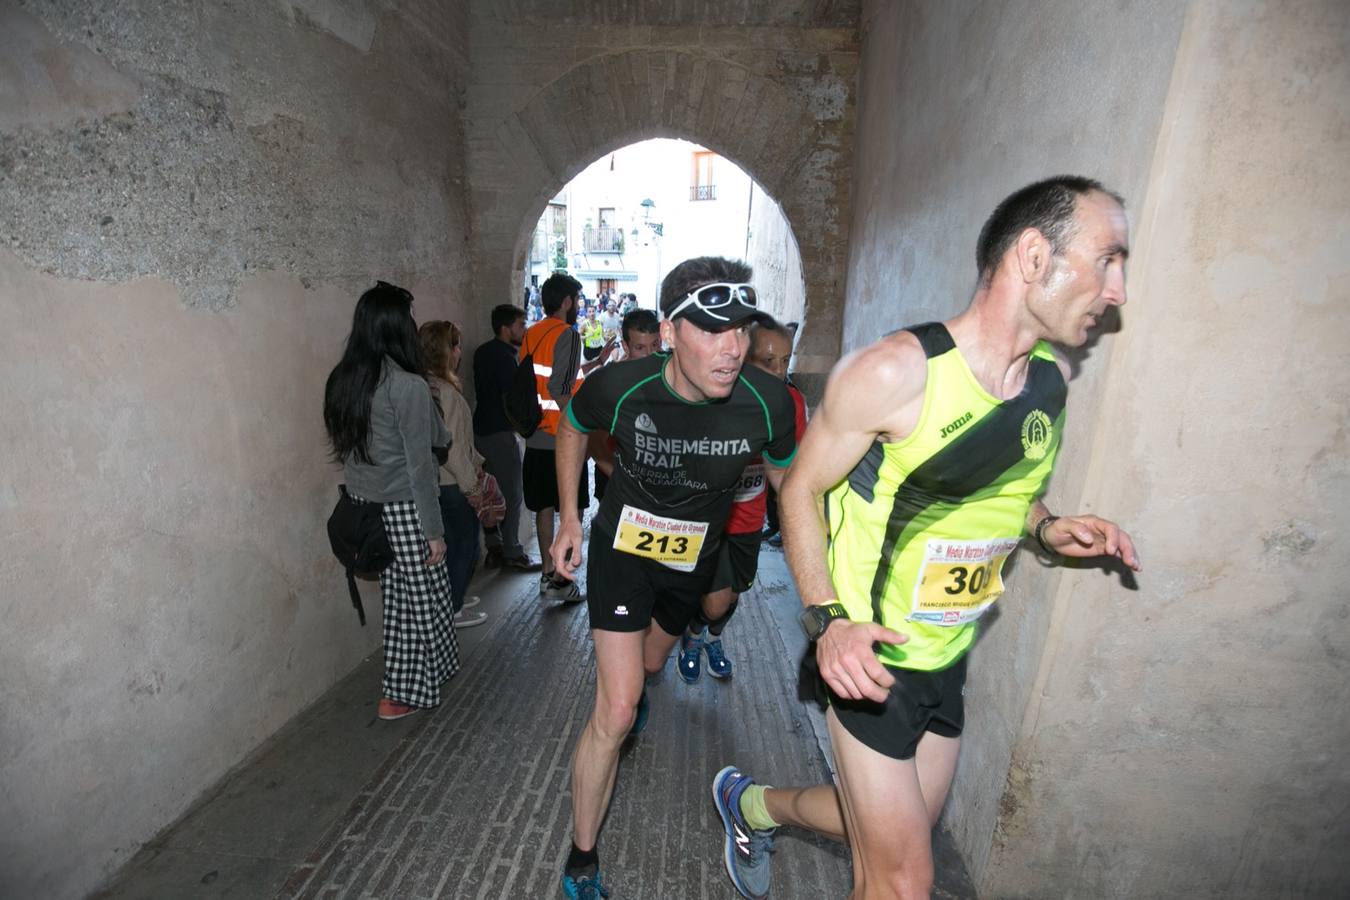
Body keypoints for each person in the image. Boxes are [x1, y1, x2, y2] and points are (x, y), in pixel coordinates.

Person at [711, 177, 1143, 900]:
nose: (1119, 289)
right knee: (906, 879)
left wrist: (1046, 527)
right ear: (1033, 256)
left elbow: (1009, 492)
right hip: (867, 657)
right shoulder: (895, 374)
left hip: (946, 656)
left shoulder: (1050, 385)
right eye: (1108, 260)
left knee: (888, 832)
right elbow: (802, 490)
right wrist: (827, 622)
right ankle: (756, 804)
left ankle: (751, 805)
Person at [551, 258, 799, 899]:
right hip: (623, 555)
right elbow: (574, 425)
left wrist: (825, 590)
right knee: (619, 705)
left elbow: (793, 492)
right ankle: (582, 861)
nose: (733, 349)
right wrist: (571, 522)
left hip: (691, 562)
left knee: (653, 666)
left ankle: (641, 679)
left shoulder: (769, 402)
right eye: (713, 332)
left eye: (741, 330)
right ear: (669, 331)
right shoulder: (624, 386)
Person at [323, 281, 459, 721]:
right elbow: (421, 465)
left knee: (399, 602)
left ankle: (407, 688)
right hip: (405, 509)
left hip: (364, 507)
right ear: (398, 328)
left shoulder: (344, 379)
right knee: (418, 605)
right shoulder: (406, 386)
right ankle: (399, 695)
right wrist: (433, 531)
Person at [676, 317, 808, 683]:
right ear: (743, 358)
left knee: (733, 596)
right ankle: (692, 636)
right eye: (769, 362)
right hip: (708, 518)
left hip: (750, 519)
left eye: (785, 361)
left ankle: (712, 638)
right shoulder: (716, 394)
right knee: (716, 598)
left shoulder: (790, 402)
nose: (779, 371)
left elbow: (794, 467)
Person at [522, 273, 605, 603]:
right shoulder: (567, 335)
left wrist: (596, 362)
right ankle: (563, 577)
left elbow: (546, 378)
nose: (578, 307)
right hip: (561, 439)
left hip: (535, 435)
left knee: (542, 507)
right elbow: (560, 388)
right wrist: (580, 427)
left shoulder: (532, 334)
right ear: (568, 301)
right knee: (572, 510)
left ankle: (548, 574)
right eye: (577, 300)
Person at [419, 319, 489, 629]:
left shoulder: (424, 384)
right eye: (456, 345)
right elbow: (452, 448)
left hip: (436, 484)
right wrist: (472, 487)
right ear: (445, 352)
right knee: (465, 546)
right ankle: (453, 608)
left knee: (449, 546)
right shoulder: (445, 392)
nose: (461, 351)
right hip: (452, 485)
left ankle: (450, 598)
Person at [472, 304, 539, 572]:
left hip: (480, 431)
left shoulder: (483, 352)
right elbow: (511, 398)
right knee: (511, 494)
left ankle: (495, 547)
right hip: (500, 433)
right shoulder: (505, 357)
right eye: (520, 325)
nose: (524, 330)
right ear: (505, 327)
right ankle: (512, 551)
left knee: (488, 494)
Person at [589, 308, 661, 502]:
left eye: (655, 344)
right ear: (626, 348)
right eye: (640, 348)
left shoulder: (671, 378)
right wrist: (627, 482)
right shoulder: (610, 385)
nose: (650, 354)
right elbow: (595, 443)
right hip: (616, 485)